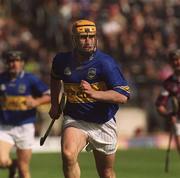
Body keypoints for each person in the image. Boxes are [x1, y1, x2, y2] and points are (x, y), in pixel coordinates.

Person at [49, 19, 130, 178]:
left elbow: (123, 96)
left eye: (92, 37)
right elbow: (54, 78)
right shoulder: (61, 60)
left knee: (106, 173)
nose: (88, 41)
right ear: (74, 40)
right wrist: (54, 104)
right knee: (68, 154)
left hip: (103, 122)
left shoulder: (106, 63)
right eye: (83, 37)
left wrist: (95, 93)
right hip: (76, 119)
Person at [0, 50, 50, 178]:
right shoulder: (1, 79)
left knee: (24, 169)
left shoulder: (30, 79)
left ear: (22, 63)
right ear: (6, 63)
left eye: (17, 61)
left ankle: (17, 166)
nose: (14, 64)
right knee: (2, 161)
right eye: (11, 61)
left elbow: (49, 95)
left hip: (25, 127)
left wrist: (36, 101)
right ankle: (12, 165)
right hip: (5, 127)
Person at [156, 49, 180, 147]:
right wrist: (168, 115)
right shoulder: (168, 84)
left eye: (178, 59)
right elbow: (160, 105)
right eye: (173, 60)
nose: (176, 62)